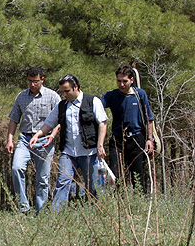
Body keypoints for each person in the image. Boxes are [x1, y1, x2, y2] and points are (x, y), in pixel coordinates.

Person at [29, 74, 107, 211]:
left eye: (67, 91)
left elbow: (102, 123)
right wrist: (37, 135)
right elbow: (49, 123)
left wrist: (100, 145)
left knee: (92, 185)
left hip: (89, 152)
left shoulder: (92, 101)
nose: (64, 94)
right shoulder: (62, 106)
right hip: (68, 152)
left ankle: (97, 212)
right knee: (62, 182)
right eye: (62, 91)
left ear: (75, 87)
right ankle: (57, 215)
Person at [6, 67, 61, 214]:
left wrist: (53, 135)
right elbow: (13, 119)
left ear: (42, 79)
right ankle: (24, 208)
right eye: (30, 81)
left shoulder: (53, 96)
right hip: (24, 138)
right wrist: (10, 139)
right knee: (16, 168)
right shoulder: (21, 96)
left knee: (42, 178)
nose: (32, 84)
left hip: (44, 140)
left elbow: (60, 120)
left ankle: (40, 212)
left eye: (35, 81)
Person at [101, 65, 154, 193]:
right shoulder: (111, 95)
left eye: (125, 81)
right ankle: (120, 204)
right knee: (116, 175)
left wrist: (149, 139)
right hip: (117, 140)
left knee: (138, 175)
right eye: (119, 81)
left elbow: (149, 119)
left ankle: (139, 205)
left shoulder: (139, 94)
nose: (122, 84)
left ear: (131, 80)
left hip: (137, 139)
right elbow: (96, 106)